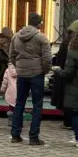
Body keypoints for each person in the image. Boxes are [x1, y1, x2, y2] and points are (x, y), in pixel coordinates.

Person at [9, 13, 51, 145]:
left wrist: (19, 67)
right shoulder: (41, 38)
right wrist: (44, 70)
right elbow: (47, 58)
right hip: (36, 74)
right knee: (37, 105)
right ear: (39, 24)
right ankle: (34, 137)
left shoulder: (16, 36)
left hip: (22, 73)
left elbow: (11, 55)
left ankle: (15, 135)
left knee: (19, 103)